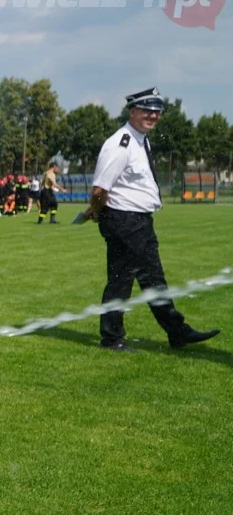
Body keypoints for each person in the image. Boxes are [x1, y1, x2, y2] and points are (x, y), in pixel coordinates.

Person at [83, 87, 220, 352]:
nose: (153, 115)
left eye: (157, 111)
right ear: (133, 111)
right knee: (129, 279)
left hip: (135, 221)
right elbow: (100, 190)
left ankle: (174, 332)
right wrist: (98, 210)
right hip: (125, 221)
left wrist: (97, 209)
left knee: (144, 279)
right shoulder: (120, 143)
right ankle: (115, 338)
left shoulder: (140, 140)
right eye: (147, 110)